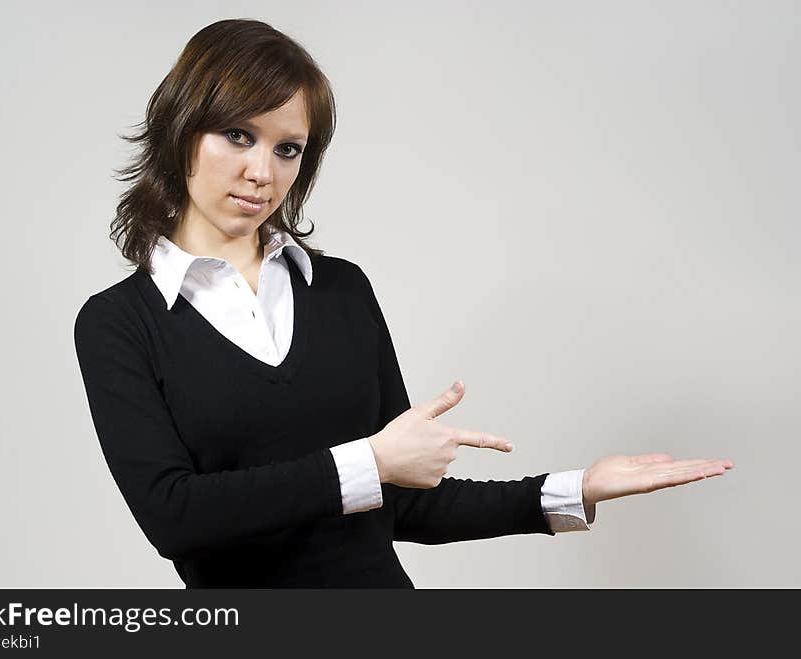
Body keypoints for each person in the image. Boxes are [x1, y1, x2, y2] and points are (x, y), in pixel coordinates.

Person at [73, 19, 733, 588]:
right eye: (237, 135)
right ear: (181, 128)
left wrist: (574, 488)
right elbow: (175, 515)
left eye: (288, 148)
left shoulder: (340, 290)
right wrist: (370, 461)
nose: (262, 172)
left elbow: (405, 506)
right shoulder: (118, 325)